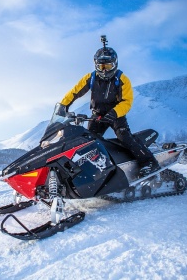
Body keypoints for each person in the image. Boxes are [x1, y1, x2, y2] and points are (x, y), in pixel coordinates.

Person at [58, 36, 160, 177]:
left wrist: (115, 112)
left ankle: (148, 162)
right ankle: (93, 172)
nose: (104, 70)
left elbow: (127, 100)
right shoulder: (91, 77)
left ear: (115, 64)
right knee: (89, 142)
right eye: (101, 66)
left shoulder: (121, 78)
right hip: (98, 115)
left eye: (108, 66)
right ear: (96, 65)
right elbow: (74, 91)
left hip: (115, 115)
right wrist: (64, 104)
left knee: (125, 138)